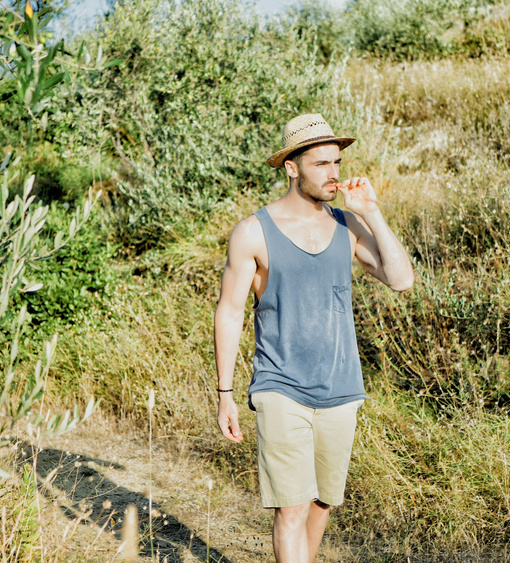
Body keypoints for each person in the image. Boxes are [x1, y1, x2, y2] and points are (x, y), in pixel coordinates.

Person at [213, 114, 414, 562]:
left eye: (337, 162)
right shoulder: (252, 232)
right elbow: (229, 312)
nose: (334, 173)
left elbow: (401, 280)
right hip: (280, 386)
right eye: (321, 163)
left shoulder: (346, 225)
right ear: (291, 167)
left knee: (323, 504)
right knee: (292, 508)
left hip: (342, 389)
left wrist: (373, 214)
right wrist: (225, 393)